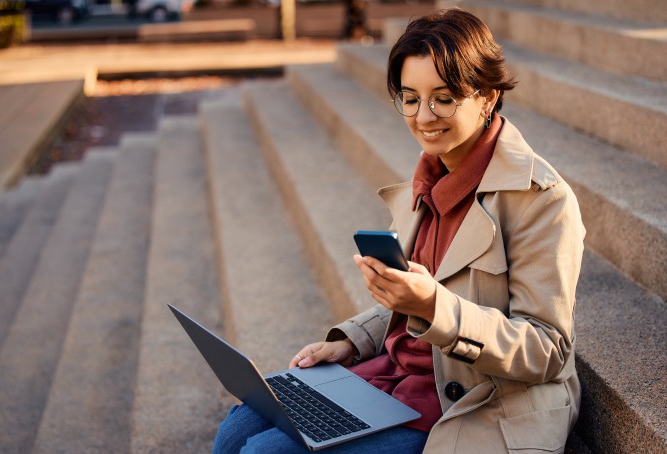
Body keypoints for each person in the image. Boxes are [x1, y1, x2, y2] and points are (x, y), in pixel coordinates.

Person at [213, 8, 585, 454]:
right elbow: (414, 297)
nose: (424, 117)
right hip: (396, 377)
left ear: (486, 96)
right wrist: (353, 341)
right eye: (410, 98)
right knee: (237, 427)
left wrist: (433, 306)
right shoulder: (429, 179)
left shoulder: (542, 200)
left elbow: (546, 350)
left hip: (472, 402)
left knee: (264, 452)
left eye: (444, 98)